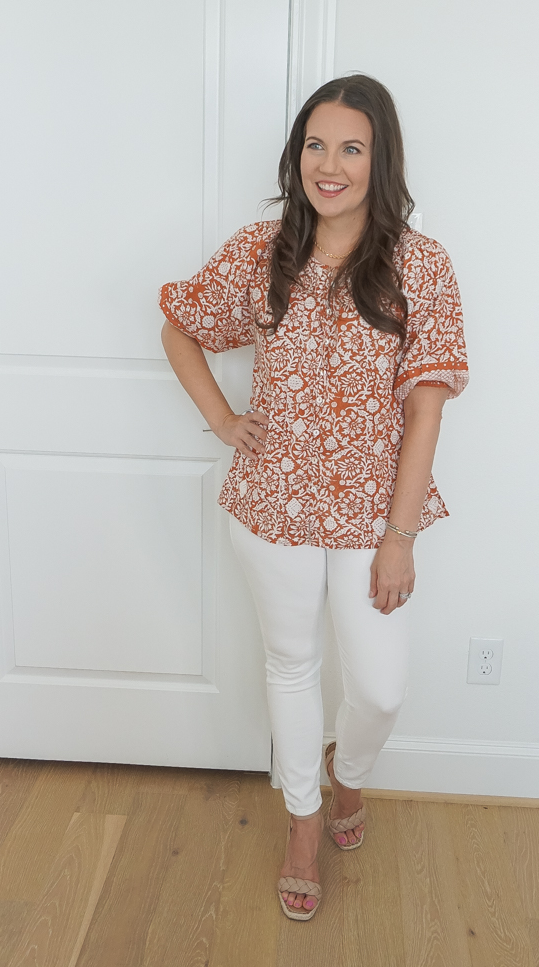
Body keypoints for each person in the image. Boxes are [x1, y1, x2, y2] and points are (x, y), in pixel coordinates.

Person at [159, 74, 469, 921]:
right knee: (291, 664)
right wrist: (225, 420)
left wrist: (400, 537)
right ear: (297, 155)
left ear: (381, 159)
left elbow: (425, 410)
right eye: (316, 145)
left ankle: (347, 777)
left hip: (374, 517)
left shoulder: (420, 263)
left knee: (378, 689)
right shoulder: (263, 250)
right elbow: (180, 324)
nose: (329, 165)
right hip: (273, 508)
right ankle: (302, 822)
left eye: (352, 148)